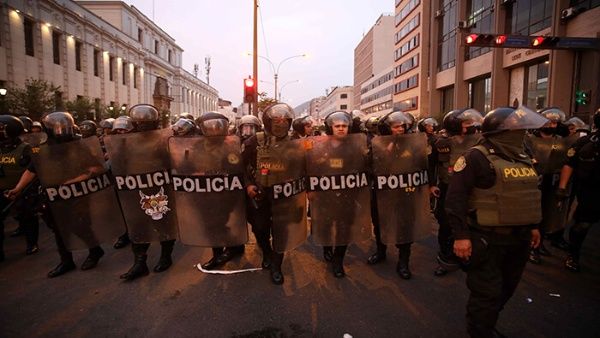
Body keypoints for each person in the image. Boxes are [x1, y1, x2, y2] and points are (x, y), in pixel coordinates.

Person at [446, 106, 545, 337]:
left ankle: (486, 324)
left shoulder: (523, 155)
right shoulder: (475, 157)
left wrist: (533, 227)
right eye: (516, 129)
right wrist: (461, 236)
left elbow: (528, 193)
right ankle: (480, 331)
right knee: (486, 293)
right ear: (500, 132)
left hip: (519, 239)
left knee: (506, 288)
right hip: (487, 238)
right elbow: (455, 198)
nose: (521, 134)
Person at [8, 112, 106, 277]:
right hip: (54, 194)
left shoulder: (78, 144)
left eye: (63, 126)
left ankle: (95, 251)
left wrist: (76, 180)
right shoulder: (44, 146)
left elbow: (96, 168)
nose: (61, 130)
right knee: (59, 227)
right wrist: (17, 188)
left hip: (78, 192)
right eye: (57, 127)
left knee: (79, 225)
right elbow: (32, 170)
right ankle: (66, 261)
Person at [114, 104, 177, 281]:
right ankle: (139, 262)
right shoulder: (125, 142)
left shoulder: (164, 140)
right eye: (139, 123)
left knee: (162, 224)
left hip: (159, 189)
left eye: (145, 123)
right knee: (138, 225)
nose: (142, 126)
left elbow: (175, 161)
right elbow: (119, 164)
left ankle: (166, 256)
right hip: (136, 189)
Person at [242, 103, 295, 284]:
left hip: (285, 195)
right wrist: (248, 185)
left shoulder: (295, 142)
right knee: (259, 227)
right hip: (260, 193)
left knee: (282, 230)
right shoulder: (254, 141)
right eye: (276, 120)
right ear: (268, 122)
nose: (280, 124)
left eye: (284, 120)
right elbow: (241, 167)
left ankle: (276, 265)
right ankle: (266, 251)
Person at [430, 108, 483, 276]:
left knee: (473, 223)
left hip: (473, 190)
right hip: (448, 188)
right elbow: (431, 164)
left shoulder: (481, 141)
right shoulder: (442, 143)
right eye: (467, 123)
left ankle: (468, 256)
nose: (472, 125)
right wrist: (432, 185)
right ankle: (446, 259)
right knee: (446, 224)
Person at [367, 111, 419, 279]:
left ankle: (403, 262)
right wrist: (386, 150)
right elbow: (369, 166)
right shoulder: (377, 145)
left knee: (404, 224)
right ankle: (381, 252)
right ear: (388, 129)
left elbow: (421, 165)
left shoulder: (413, 144)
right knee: (380, 222)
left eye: (402, 126)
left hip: (404, 191)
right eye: (396, 127)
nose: (400, 129)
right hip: (382, 192)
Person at [558, 109, 600, 272]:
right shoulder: (585, 142)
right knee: (582, 225)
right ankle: (573, 254)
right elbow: (570, 163)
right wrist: (562, 187)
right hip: (590, 190)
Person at [526, 107, 569, 263]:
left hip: (552, 181)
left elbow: (567, 163)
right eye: (549, 122)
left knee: (547, 213)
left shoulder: (560, 141)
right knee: (533, 215)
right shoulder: (528, 139)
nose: (552, 125)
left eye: (555, 123)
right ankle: (532, 247)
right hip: (533, 180)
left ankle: (539, 243)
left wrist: (562, 187)